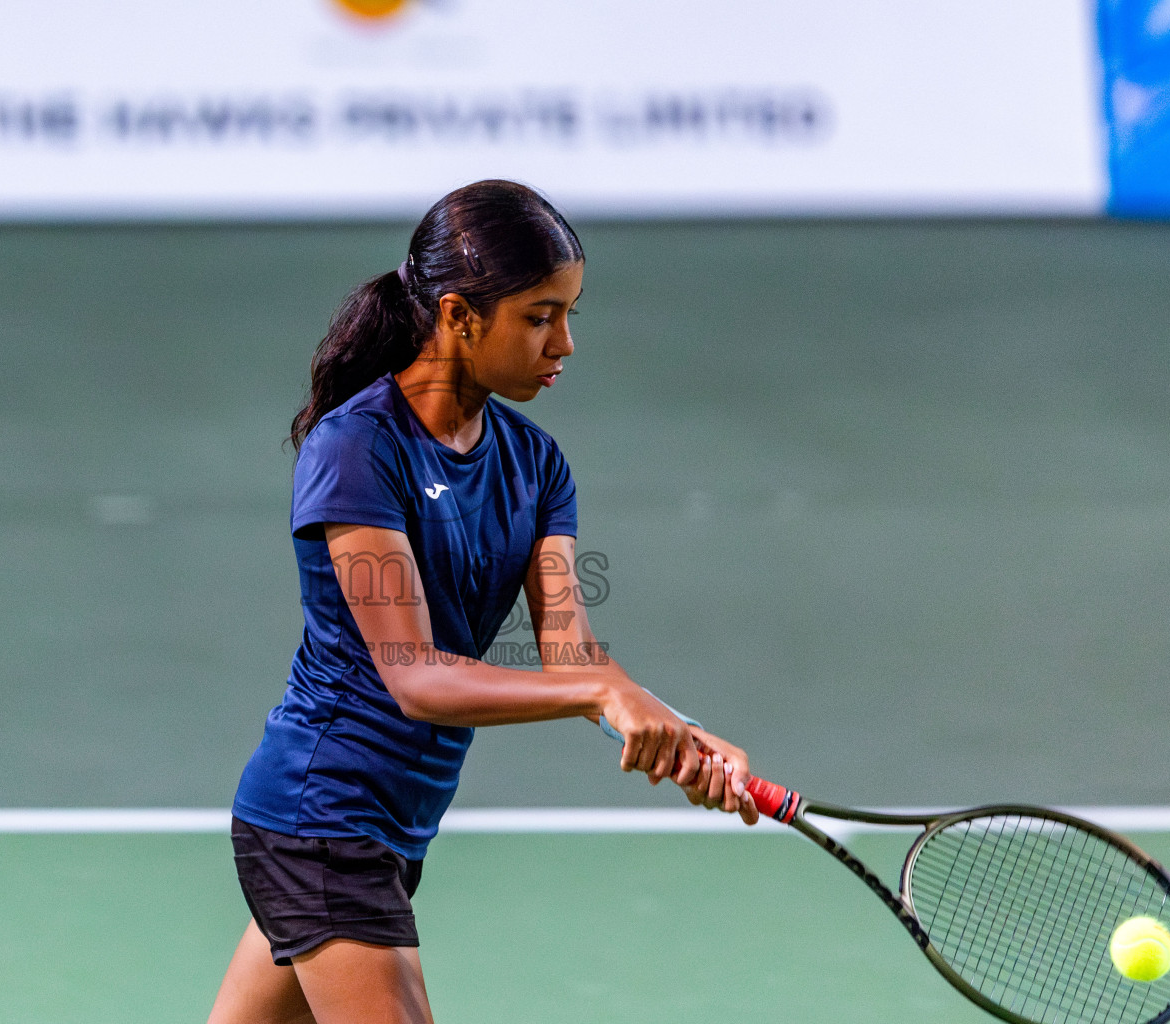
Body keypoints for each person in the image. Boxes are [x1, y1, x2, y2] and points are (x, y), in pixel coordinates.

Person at [207, 179, 759, 1024]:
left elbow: (571, 654)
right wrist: (600, 695)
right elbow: (417, 678)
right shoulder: (357, 450)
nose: (564, 343)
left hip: (391, 827)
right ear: (461, 317)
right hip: (321, 818)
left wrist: (671, 728)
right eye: (540, 317)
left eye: (570, 313)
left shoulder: (536, 466)